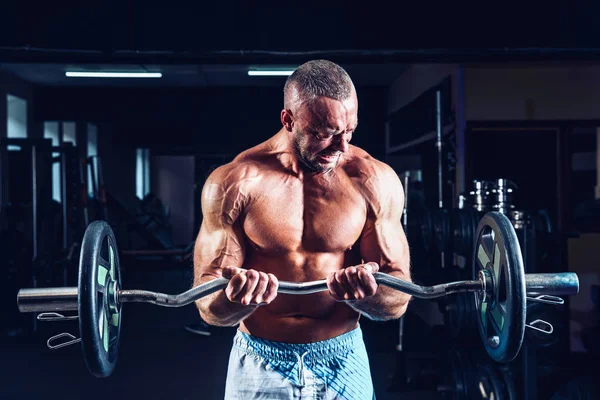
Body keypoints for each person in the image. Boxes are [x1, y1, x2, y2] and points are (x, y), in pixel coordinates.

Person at [193, 59, 412, 399]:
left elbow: (398, 301)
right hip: (260, 359)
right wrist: (238, 300)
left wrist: (367, 294)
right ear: (289, 120)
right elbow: (208, 308)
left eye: (349, 131)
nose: (341, 147)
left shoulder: (372, 180)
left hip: (344, 358)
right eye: (324, 134)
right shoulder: (234, 183)